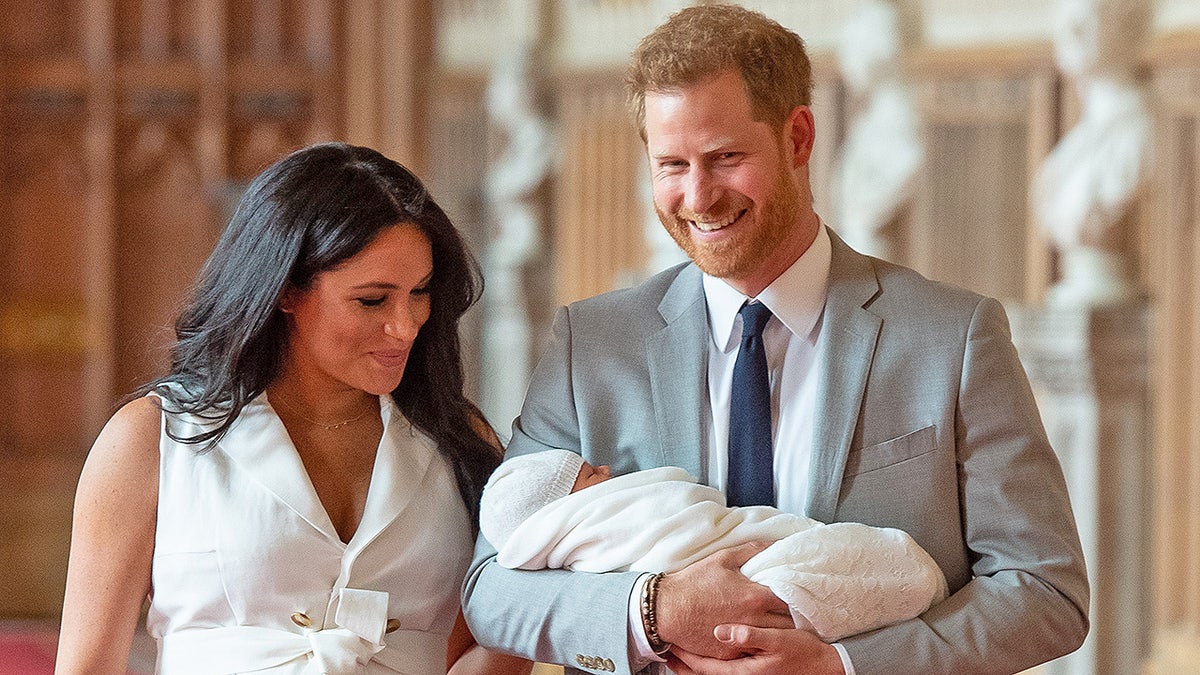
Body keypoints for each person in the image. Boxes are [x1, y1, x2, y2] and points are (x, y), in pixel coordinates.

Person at [462, 5, 1089, 675]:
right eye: (671, 164)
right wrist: (655, 610)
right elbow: (491, 590)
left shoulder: (954, 337)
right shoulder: (590, 344)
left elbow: (1045, 589)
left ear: (797, 138)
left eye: (725, 158)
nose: (698, 197)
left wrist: (844, 665)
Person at [56, 142, 533, 675]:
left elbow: (495, 640)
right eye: (372, 300)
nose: (405, 326)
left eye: (419, 292)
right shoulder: (153, 438)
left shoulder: (459, 440)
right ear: (284, 289)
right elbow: (87, 665)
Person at [479, 450, 947, 643]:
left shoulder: (963, 328)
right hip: (744, 578)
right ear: (560, 510)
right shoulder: (582, 338)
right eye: (589, 475)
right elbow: (490, 597)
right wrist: (653, 607)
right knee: (855, 562)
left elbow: (699, 516)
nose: (606, 471)